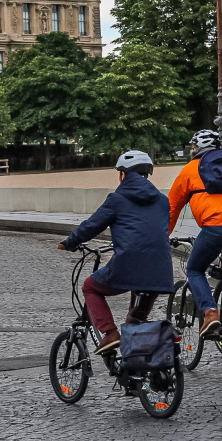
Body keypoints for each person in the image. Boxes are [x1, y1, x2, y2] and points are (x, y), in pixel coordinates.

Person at [58, 150, 173, 355]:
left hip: (129, 264)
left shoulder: (117, 199)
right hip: (160, 269)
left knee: (90, 287)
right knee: (135, 320)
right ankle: (139, 373)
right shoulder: (163, 201)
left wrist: (70, 242)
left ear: (123, 174)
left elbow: (92, 226)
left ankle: (110, 333)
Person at [168, 130, 222, 338]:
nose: (191, 150)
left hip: (216, 227)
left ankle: (210, 313)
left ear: (197, 148)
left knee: (195, 269)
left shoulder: (190, 169)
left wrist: (164, 234)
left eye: (193, 146)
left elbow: (172, 207)